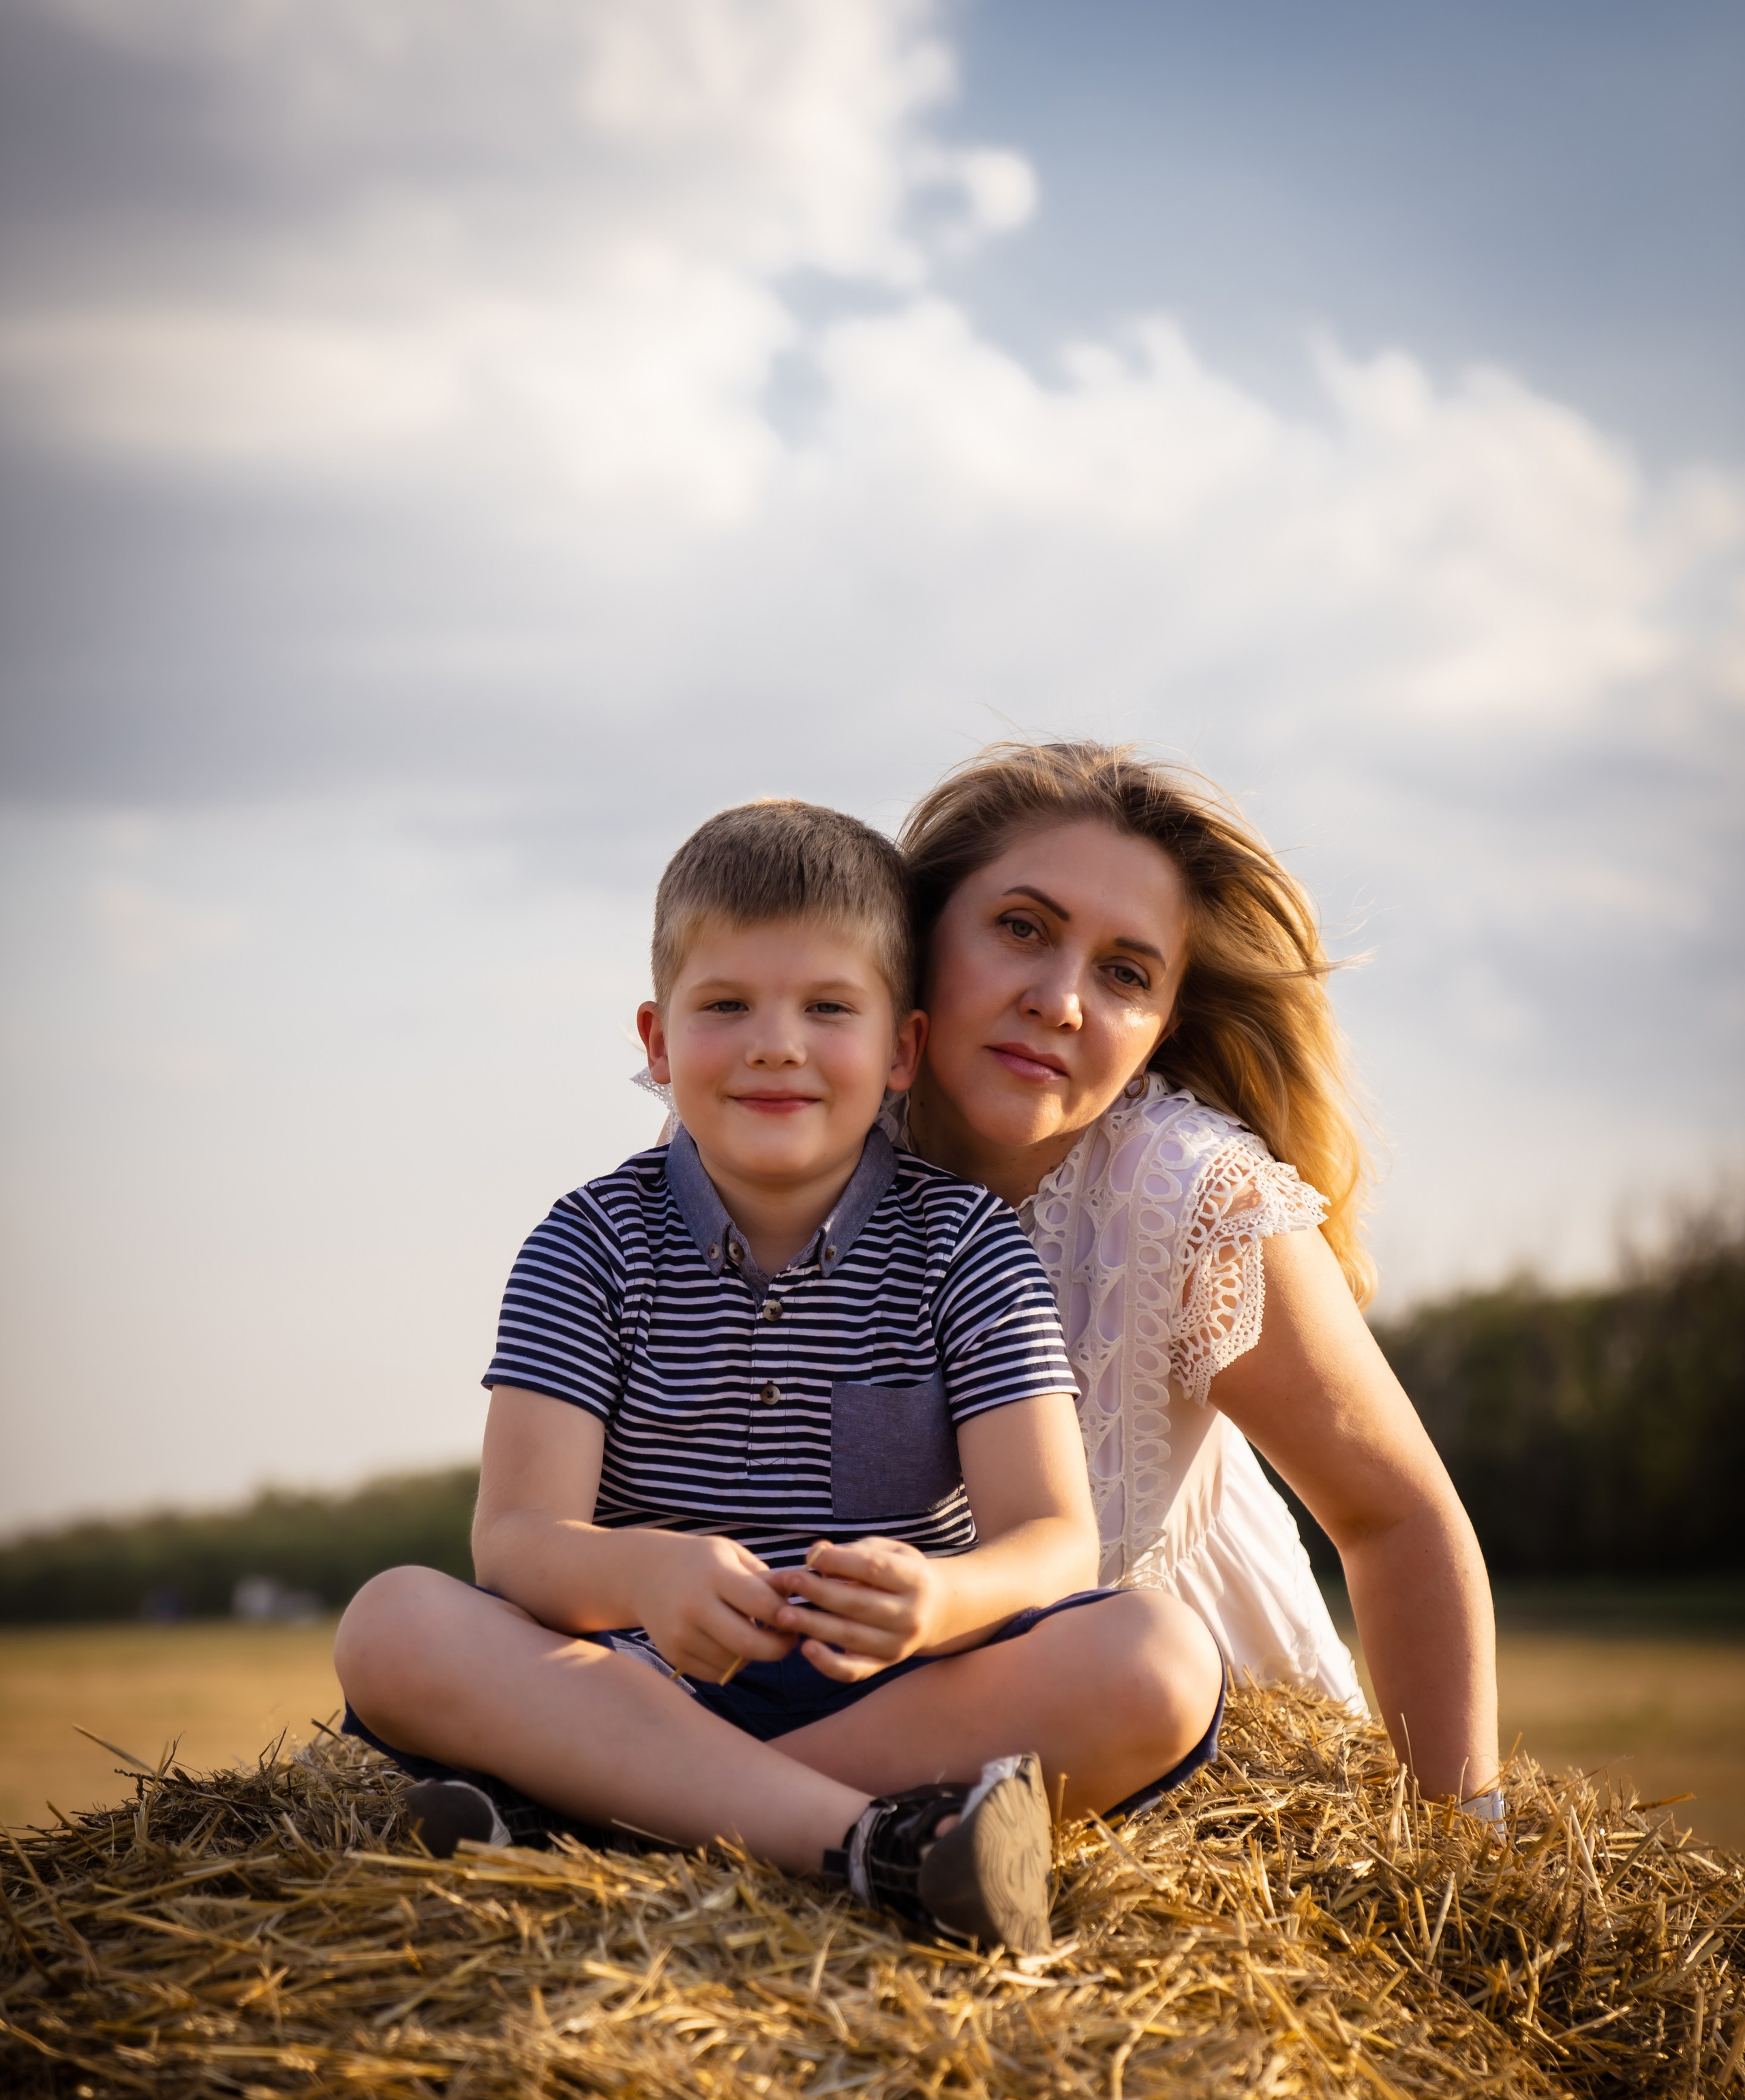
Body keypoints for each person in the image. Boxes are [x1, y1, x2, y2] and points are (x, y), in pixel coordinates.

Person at [334, 800, 1226, 1949]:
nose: (776, 1045)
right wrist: (647, 1577)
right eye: (726, 1007)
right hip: (634, 1683)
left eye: (827, 1009)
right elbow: (513, 1541)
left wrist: (941, 1600)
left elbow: (1055, 1537)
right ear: (656, 1043)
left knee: (1159, 1661)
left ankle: (602, 1829)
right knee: (390, 1624)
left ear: (901, 1049)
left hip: (892, 1696)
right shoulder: (588, 1242)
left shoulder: (966, 1247)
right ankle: (875, 1848)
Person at [889, 741, 1500, 1812]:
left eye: (1124, 974)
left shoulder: (1186, 1198)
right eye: (1021, 928)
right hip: (867, 1716)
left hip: (1170, 1751)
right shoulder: (792, 1110)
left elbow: (1398, 1522)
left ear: (1163, 1027)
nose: (1062, 1000)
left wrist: (1477, 1876)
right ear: (921, 936)